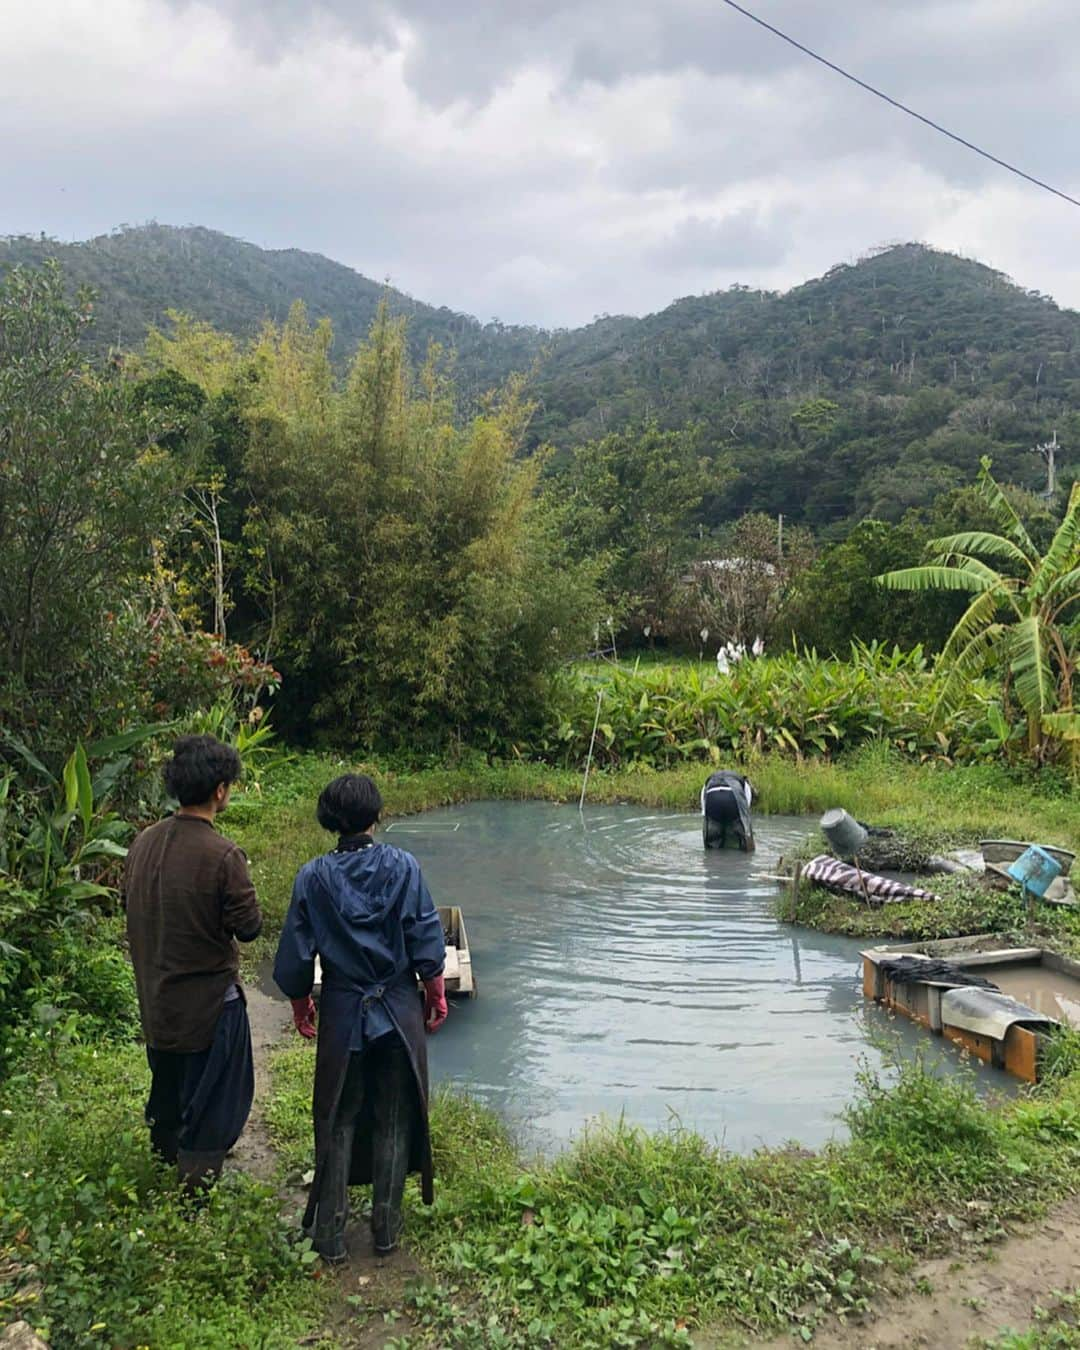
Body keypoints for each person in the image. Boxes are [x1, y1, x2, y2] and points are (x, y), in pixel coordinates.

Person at [273, 773, 447, 1262]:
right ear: (376, 816)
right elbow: (425, 937)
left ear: (332, 820)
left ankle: (329, 1239)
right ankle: (386, 1232)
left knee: (338, 1120)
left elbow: (294, 959)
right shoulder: (405, 867)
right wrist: (435, 992)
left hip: (345, 1013)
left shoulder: (313, 876)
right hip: (397, 1011)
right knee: (394, 1120)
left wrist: (300, 1002)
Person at [124, 734, 262, 1191]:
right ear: (220, 789)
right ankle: (193, 1197)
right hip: (208, 1009)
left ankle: (163, 1174)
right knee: (214, 1105)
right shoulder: (223, 855)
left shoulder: (143, 843)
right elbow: (249, 927)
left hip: (158, 1002)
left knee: (167, 1096)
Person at [701, 769, 755, 852]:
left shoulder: (709, 781)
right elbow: (745, 812)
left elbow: (705, 812)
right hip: (732, 796)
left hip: (712, 797)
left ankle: (711, 857)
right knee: (745, 838)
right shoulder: (745, 783)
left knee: (712, 843)